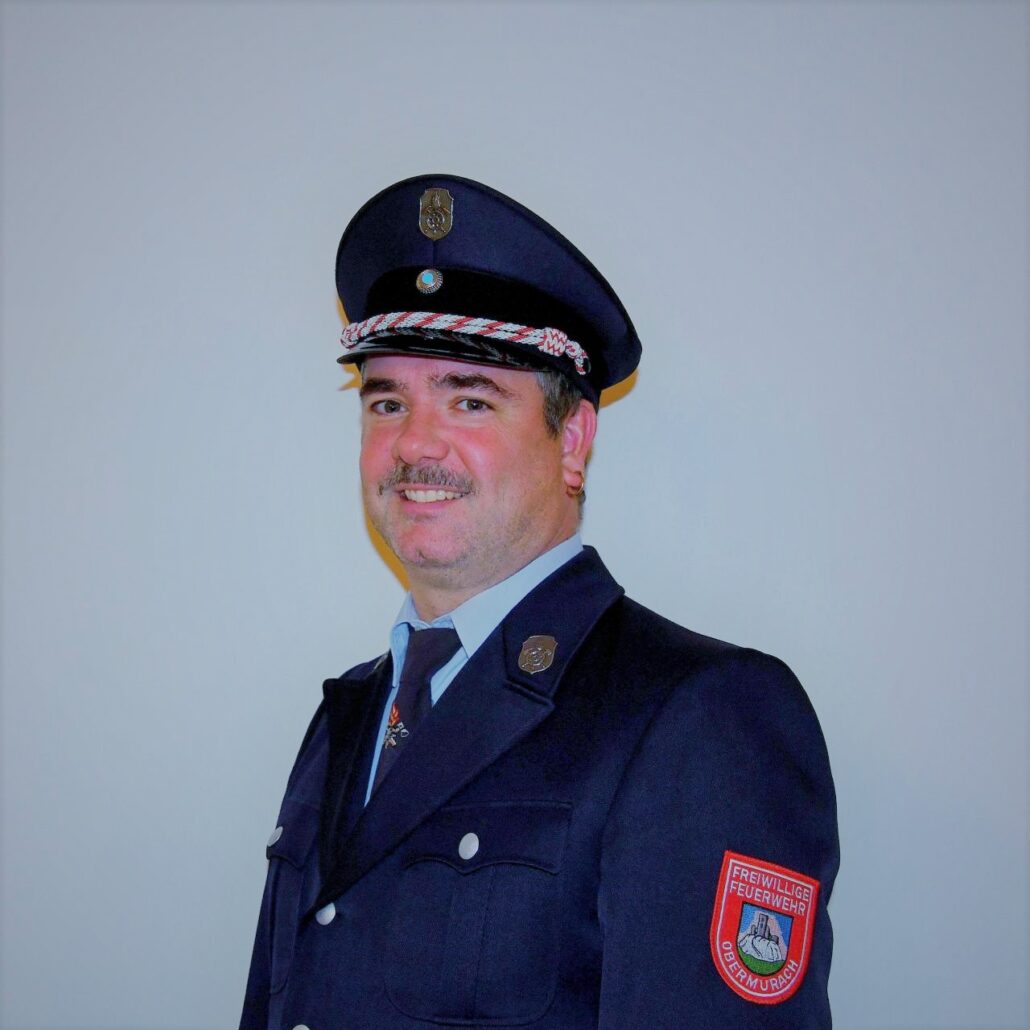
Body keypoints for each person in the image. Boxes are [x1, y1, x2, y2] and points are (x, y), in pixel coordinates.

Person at [239, 174, 839, 1029]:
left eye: (469, 399)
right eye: (387, 401)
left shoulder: (698, 716)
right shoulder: (351, 712)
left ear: (574, 441)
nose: (414, 444)